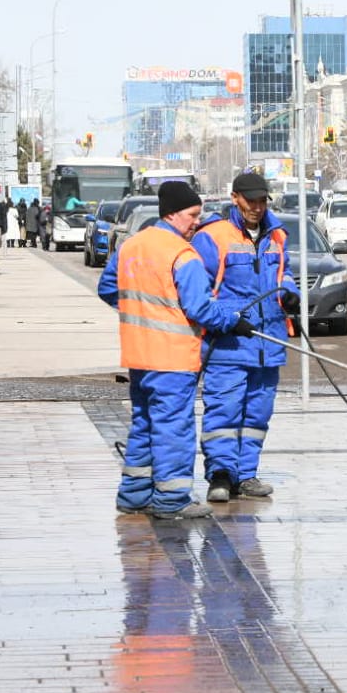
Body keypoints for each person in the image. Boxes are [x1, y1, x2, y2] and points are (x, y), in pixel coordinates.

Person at [98, 181, 254, 520]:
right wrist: (232, 320)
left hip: (139, 355)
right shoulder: (183, 255)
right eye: (192, 215)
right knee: (174, 430)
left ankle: (134, 495)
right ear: (172, 214)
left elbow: (108, 288)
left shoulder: (131, 246)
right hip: (172, 358)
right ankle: (172, 499)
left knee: (144, 424)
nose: (197, 222)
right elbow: (200, 309)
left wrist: (141, 311)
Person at [191, 172, 296, 503]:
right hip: (229, 345)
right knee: (224, 412)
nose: (257, 207)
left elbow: (285, 272)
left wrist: (290, 293)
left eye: (262, 201)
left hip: (269, 344)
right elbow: (199, 293)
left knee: (257, 415)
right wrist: (229, 320)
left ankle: (247, 474)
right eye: (251, 201)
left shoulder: (277, 235)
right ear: (234, 198)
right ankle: (221, 475)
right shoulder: (213, 237)